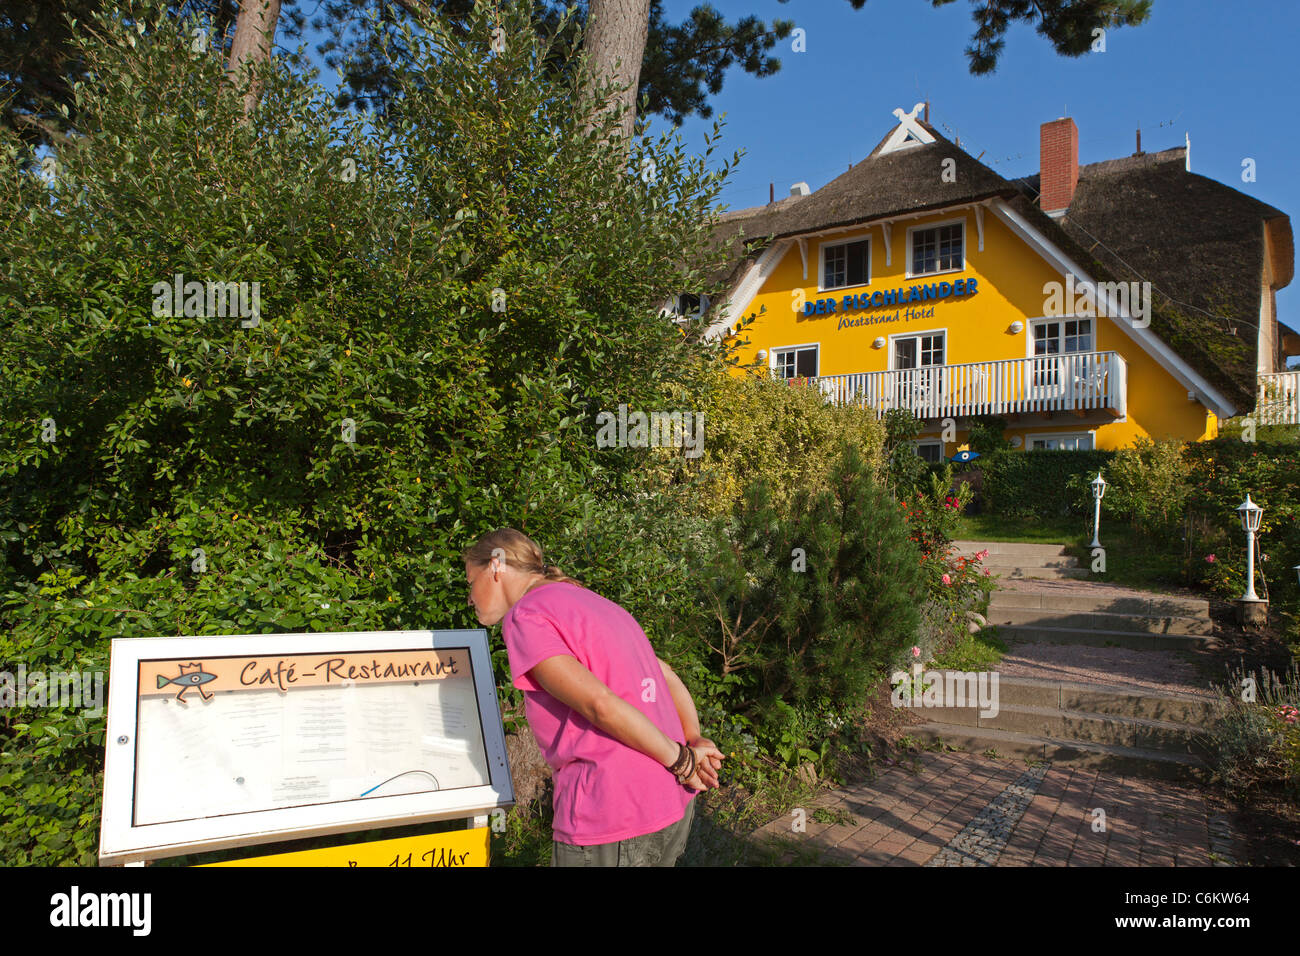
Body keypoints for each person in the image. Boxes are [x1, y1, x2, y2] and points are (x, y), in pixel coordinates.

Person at [463, 528, 724, 867]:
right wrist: (693, 737)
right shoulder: (591, 601)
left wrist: (683, 760)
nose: (470, 598)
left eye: (470, 583)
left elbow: (598, 704)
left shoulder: (526, 615)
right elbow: (667, 674)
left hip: (612, 809)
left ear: (495, 568)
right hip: (669, 802)